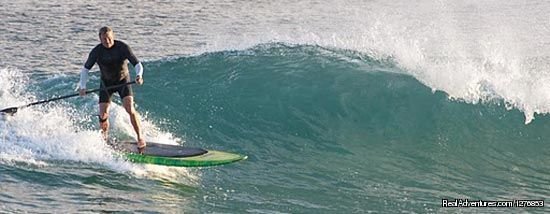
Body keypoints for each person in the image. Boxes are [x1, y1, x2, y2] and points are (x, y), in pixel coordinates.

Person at [78, 26, 146, 151]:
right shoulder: (96, 51)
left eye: (109, 38)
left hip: (122, 82)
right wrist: (82, 87)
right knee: (103, 114)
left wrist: (139, 76)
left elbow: (137, 64)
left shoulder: (122, 47)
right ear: (100, 39)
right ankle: (104, 139)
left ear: (113, 36)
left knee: (129, 108)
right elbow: (85, 69)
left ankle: (140, 137)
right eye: (104, 39)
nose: (107, 41)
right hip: (106, 84)